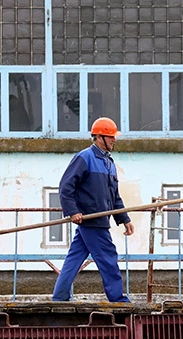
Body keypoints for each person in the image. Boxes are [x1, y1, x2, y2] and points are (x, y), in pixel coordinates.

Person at [51, 117, 136, 303]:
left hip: (96, 220)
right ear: (98, 137)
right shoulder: (85, 158)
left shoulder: (109, 163)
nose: (114, 140)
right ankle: (118, 299)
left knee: (73, 260)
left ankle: (59, 297)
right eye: (110, 136)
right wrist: (72, 211)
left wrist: (124, 218)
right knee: (108, 258)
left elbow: (114, 196)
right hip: (92, 220)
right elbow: (66, 187)